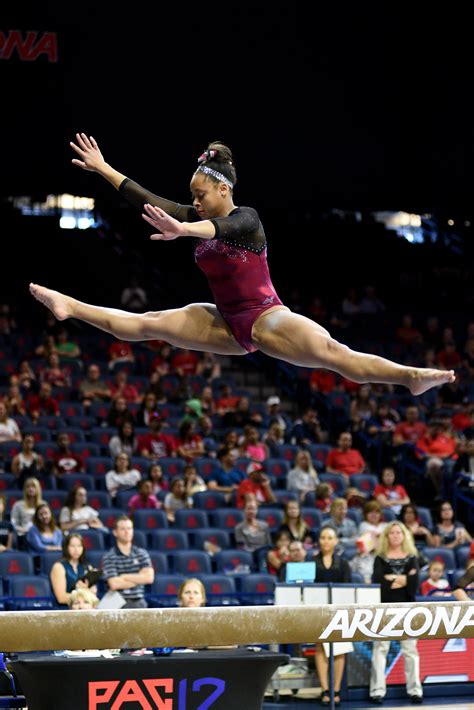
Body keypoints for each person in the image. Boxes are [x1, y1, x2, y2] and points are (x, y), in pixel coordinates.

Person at [29, 134, 455, 398]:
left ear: (221, 187)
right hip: (225, 321)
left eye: (200, 194)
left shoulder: (247, 219)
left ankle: (409, 376)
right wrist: (104, 168)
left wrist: (183, 229)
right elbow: (147, 200)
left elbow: (221, 228)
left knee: (332, 353)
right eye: (190, 196)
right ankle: (70, 306)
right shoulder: (194, 216)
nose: (194, 202)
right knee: (149, 323)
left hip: (267, 317)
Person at [370, 522, 422, 704]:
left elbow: (414, 586)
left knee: (410, 651)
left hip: (408, 608)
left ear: (404, 535)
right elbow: (379, 584)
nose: (395, 535)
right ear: (386, 536)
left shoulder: (412, 557)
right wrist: (404, 579)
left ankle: (415, 690)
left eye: (399, 532)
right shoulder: (380, 558)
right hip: (384, 608)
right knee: (380, 649)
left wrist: (391, 579)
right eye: (391, 533)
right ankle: (377, 691)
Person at [313, 527, 352, 706]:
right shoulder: (311, 562)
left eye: (329, 538)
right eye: (323, 537)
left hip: (339, 611)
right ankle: (324, 689)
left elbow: (348, 589)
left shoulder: (343, 564)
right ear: (319, 541)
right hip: (318, 611)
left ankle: (336, 689)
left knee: (339, 649)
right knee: (320, 647)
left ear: (336, 541)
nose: (326, 541)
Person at [102, 515, 154, 608]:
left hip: (139, 602)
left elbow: (149, 578)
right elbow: (114, 584)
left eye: (129, 528)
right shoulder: (109, 556)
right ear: (115, 532)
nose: (127, 532)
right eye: (123, 529)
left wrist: (124, 576)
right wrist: (139, 579)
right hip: (116, 603)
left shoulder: (141, 553)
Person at [50, 533, 98, 607]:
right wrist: (84, 592)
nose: (76, 550)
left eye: (79, 546)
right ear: (66, 547)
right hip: (65, 609)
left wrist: (87, 592)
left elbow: (93, 595)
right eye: (72, 546)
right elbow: (61, 598)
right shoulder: (58, 567)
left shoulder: (88, 567)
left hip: (85, 609)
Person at [10, 477, 44, 545]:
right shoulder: (18, 505)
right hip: (23, 534)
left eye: (33, 486)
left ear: (38, 488)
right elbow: (13, 524)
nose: (30, 489)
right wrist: (23, 529)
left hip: (41, 534)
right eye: (28, 487)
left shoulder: (43, 504)